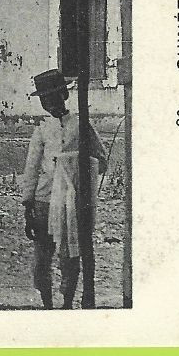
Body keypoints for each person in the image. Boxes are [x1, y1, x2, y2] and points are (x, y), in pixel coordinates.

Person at [18, 68, 109, 309]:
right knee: (42, 257)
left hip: (71, 202)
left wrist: (77, 167)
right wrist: (28, 206)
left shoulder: (81, 125)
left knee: (70, 255)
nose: (50, 104)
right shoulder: (42, 130)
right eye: (45, 100)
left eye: (54, 97)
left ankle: (67, 302)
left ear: (64, 96)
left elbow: (101, 160)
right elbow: (31, 169)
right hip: (44, 201)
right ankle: (47, 303)